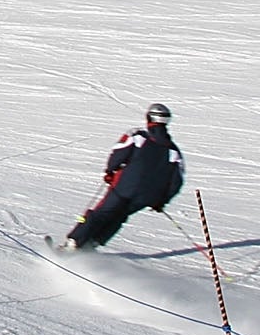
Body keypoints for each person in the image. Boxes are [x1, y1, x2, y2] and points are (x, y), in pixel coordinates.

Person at [65, 105, 184, 252]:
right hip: (146, 196)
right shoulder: (173, 151)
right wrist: (162, 201)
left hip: (124, 186)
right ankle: (93, 243)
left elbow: (119, 152)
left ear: (150, 118)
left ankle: (74, 243)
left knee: (101, 213)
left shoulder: (138, 136)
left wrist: (110, 170)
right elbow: (176, 181)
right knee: (120, 216)